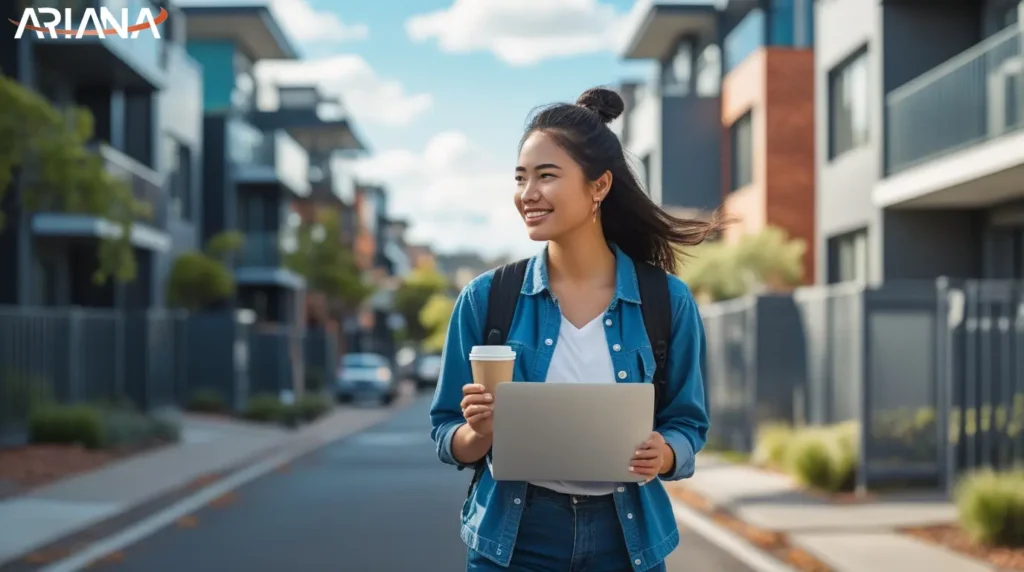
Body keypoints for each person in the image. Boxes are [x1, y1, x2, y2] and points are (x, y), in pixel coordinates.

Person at [429, 86, 717, 572]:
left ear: (598, 186)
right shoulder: (485, 298)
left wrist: (665, 453)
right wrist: (479, 433)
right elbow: (445, 431)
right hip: (515, 541)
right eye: (520, 177)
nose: (527, 194)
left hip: (625, 541)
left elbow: (687, 422)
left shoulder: (667, 301)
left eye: (546, 176)